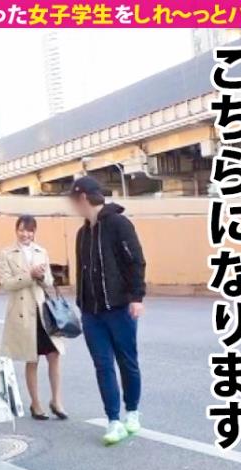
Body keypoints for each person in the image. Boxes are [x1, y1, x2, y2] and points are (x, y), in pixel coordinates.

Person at [69, 176, 146, 445]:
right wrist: (81, 303)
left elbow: (135, 261)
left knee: (127, 361)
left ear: (83, 198)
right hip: (92, 313)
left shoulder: (118, 224)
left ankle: (132, 412)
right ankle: (113, 420)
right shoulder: (82, 233)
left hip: (119, 307)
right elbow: (82, 271)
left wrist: (136, 297)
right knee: (102, 365)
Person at [0, 215, 67, 421]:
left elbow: (49, 281)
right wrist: (30, 275)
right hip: (22, 312)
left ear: (34, 232)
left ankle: (57, 400)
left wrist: (42, 276)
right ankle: (35, 403)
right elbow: (6, 283)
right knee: (32, 358)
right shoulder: (7, 253)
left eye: (29, 230)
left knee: (54, 355)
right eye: (22, 230)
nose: (25, 234)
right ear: (16, 230)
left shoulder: (41, 251)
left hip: (43, 310)